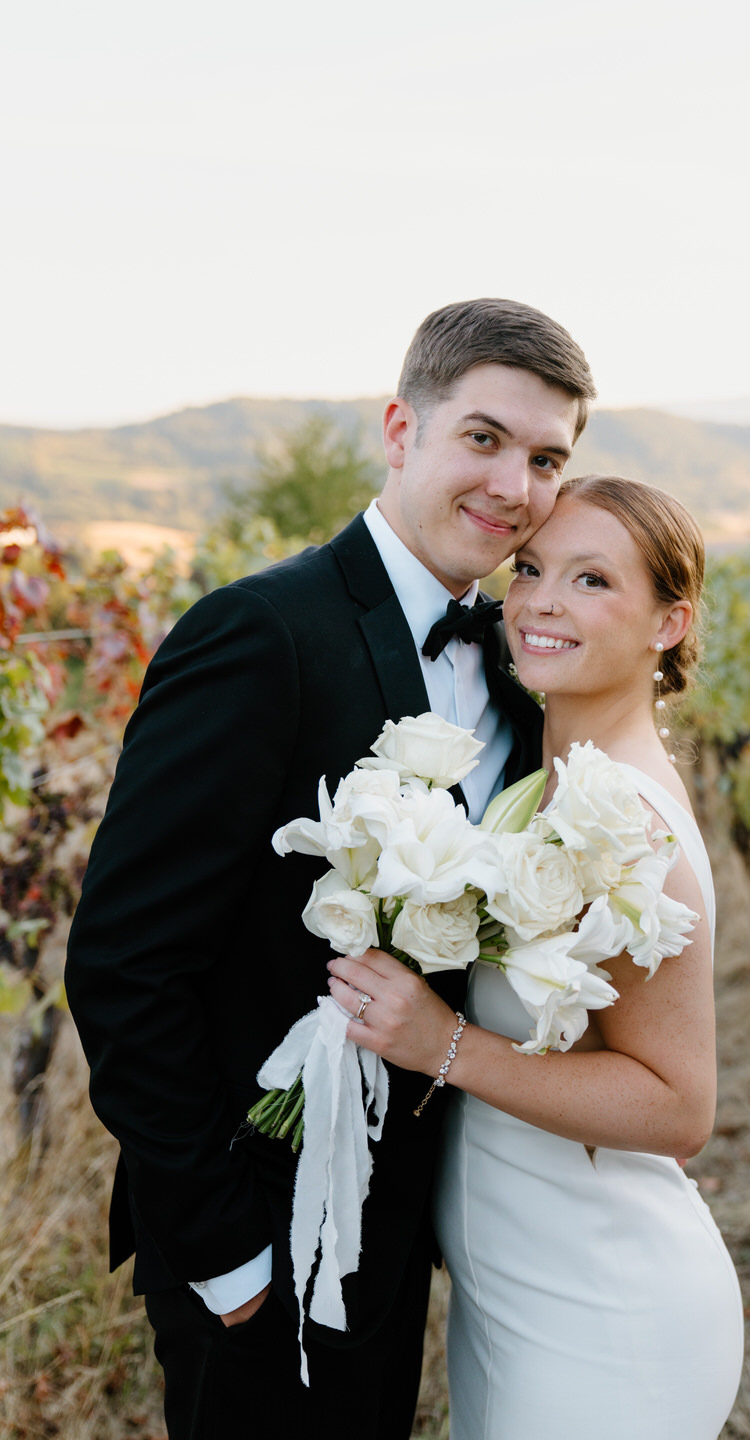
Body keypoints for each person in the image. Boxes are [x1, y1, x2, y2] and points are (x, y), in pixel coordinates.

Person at [64, 298, 596, 1440]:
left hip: (404, 1230)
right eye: (486, 439)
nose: (516, 485)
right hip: (255, 1232)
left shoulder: (516, 670)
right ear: (402, 430)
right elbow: (123, 964)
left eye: (548, 459)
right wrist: (223, 1253)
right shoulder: (260, 633)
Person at [327, 474, 745, 1439]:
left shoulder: (626, 821)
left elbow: (682, 1108)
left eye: (593, 580)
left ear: (669, 623)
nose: (543, 601)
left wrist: (447, 1045)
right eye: (531, 569)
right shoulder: (544, 787)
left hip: (604, 1315)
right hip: (518, 1295)